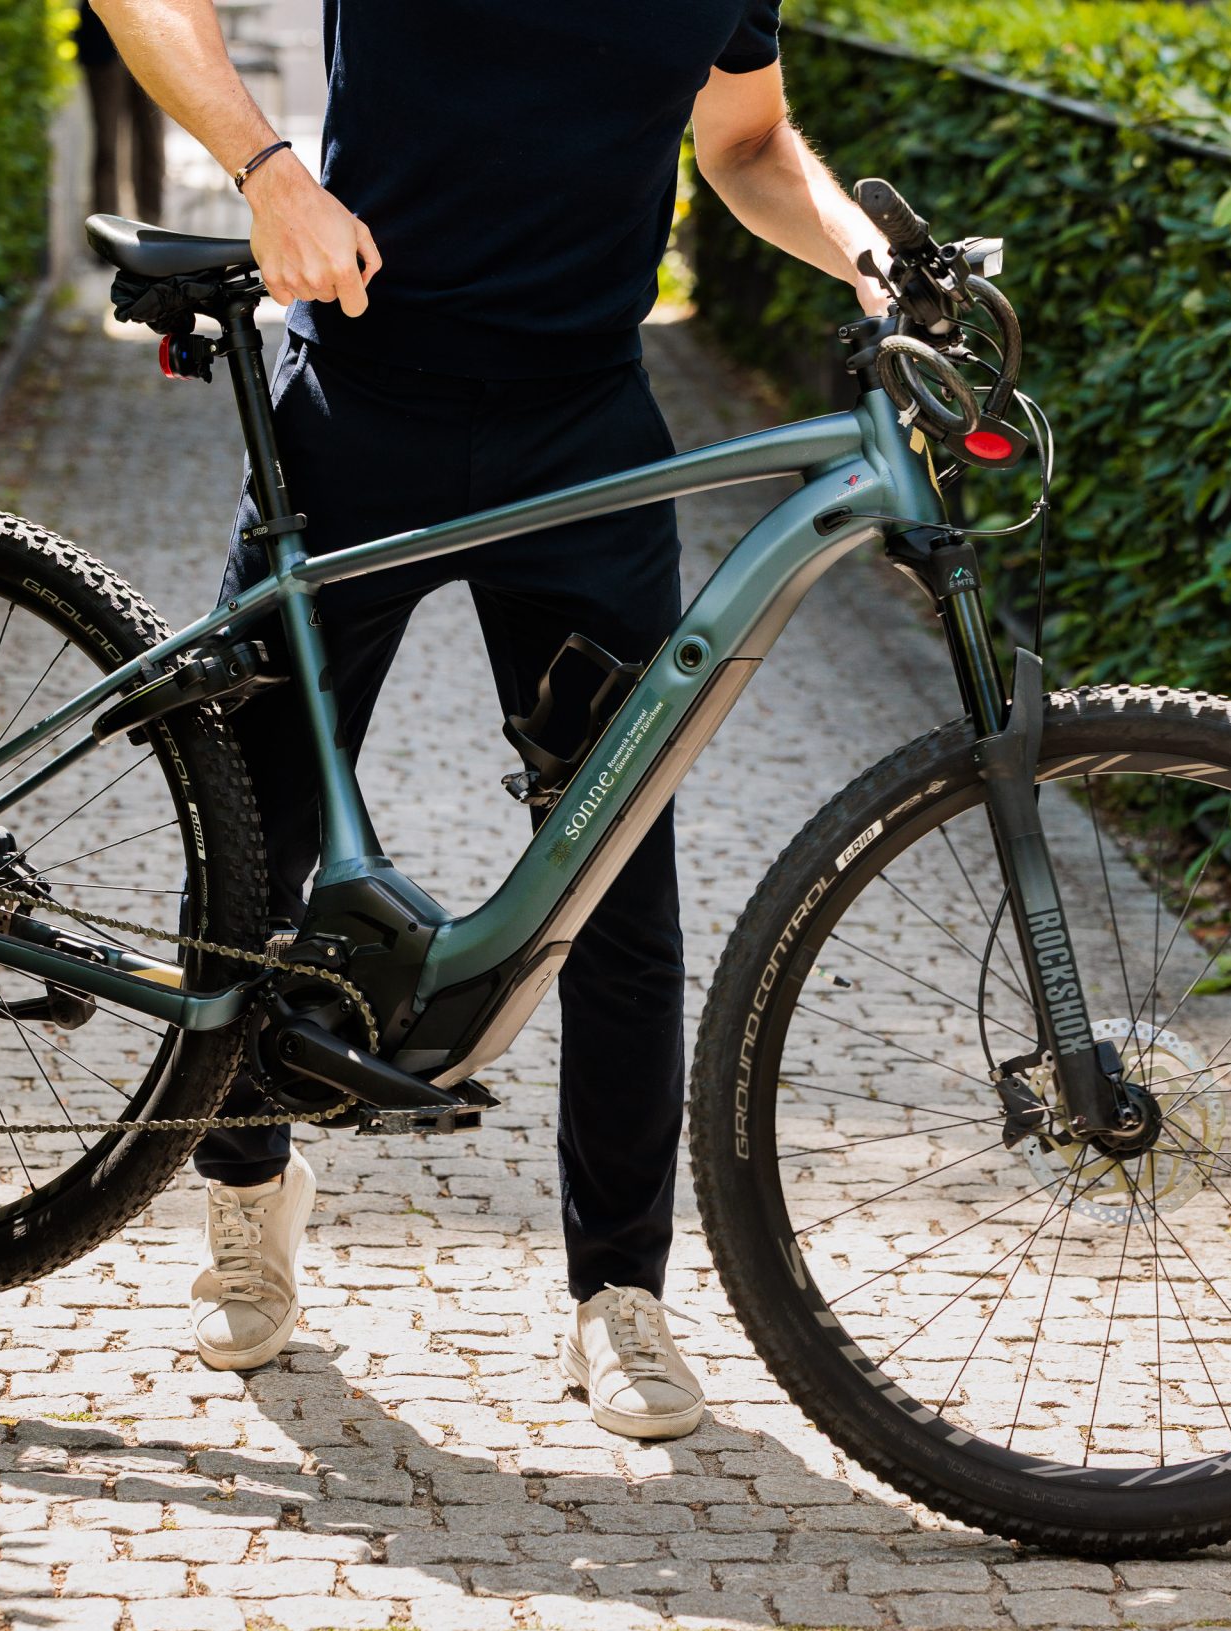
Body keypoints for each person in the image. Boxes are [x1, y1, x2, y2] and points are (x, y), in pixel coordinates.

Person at [91, 0, 894, 1441]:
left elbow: (750, 138)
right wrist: (270, 170)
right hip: (355, 411)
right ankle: (245, 1190)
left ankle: (619, 1296)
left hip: (584, 438)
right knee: (250, 840)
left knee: (615, 878)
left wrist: (869, 256)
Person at [79, 6, 165, 226]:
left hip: (150, 46)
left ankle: (153, 227)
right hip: (102, 44)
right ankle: (104, 229)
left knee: (151, 142)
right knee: (106, 145)